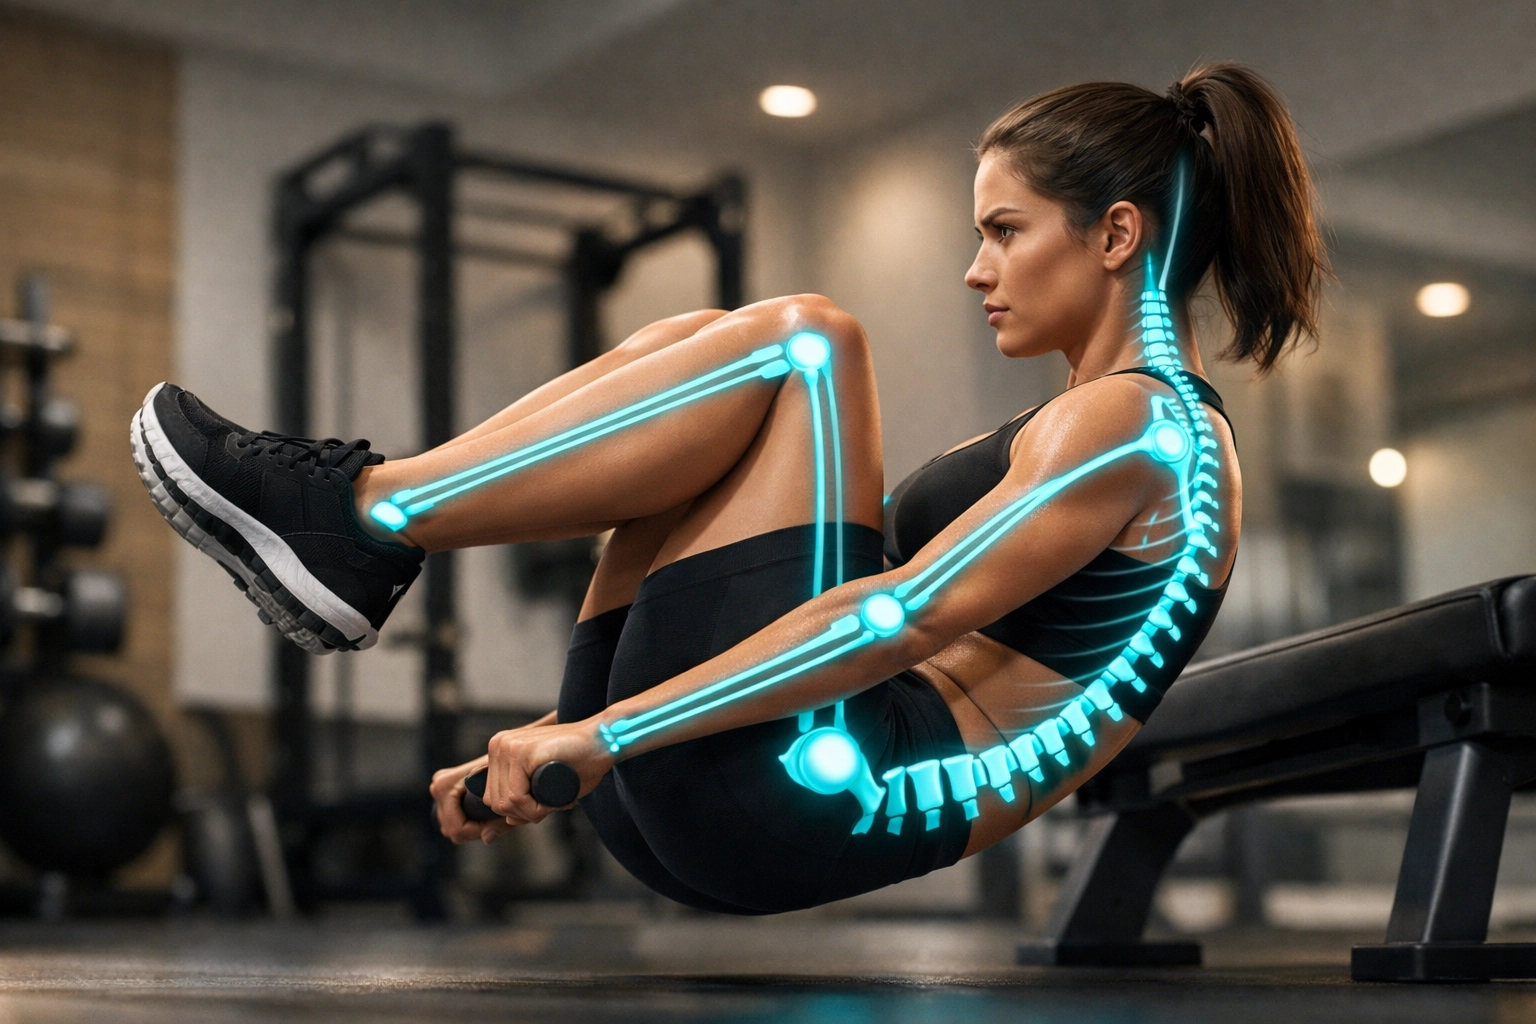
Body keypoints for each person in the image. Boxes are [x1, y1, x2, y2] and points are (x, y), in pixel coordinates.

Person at [132, 62, 1323, 914]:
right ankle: (368, 519)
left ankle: (369, 517)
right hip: (737, 798)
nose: (975, 269)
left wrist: (612, 729)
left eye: (1005, 231)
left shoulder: (1144, 432)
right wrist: (569, 734)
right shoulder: (1081, 420)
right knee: (727, 345)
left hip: (813, 797)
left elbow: (891, 620)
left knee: (806, 343)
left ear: (1118, 236)